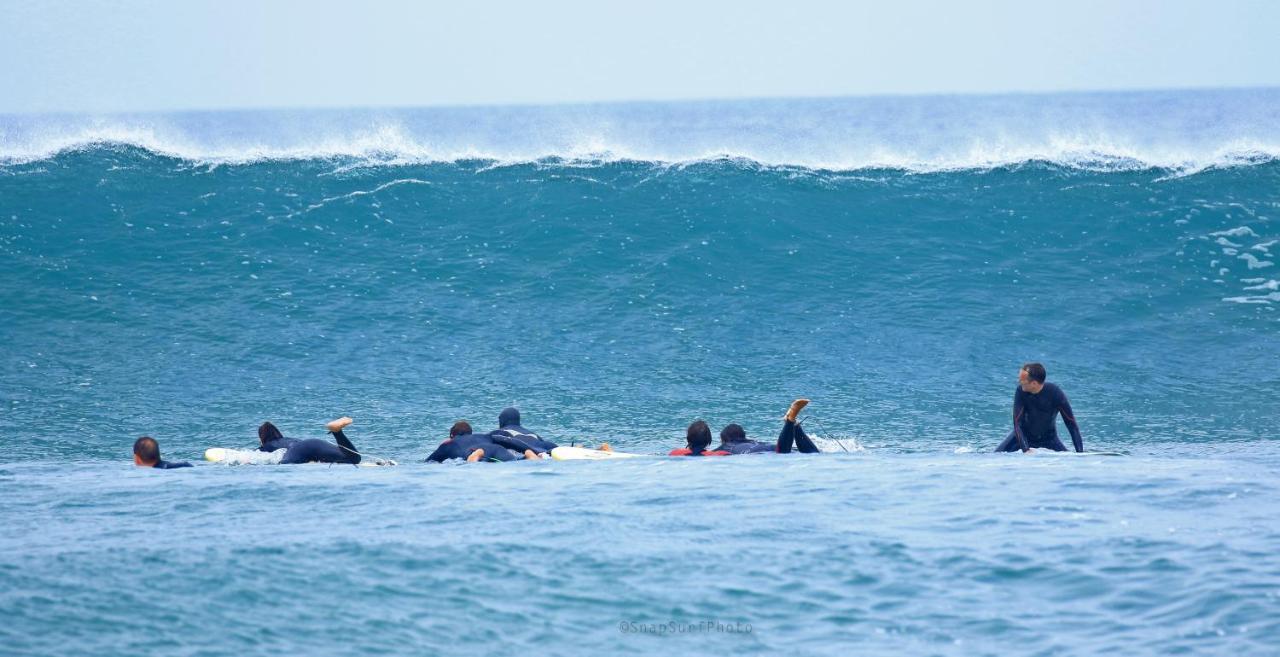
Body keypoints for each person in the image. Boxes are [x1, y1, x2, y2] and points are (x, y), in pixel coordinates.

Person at [670, 400, 822, 457]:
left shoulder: (723, 450)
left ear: (723, 439)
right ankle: (793, 425)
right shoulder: (756, 442)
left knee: (783, 452)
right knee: (811, 453)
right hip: (770, 448)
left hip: (762, 454)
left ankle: (790, 422)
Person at [994, 362, 1084, 453]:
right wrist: (1026, 450)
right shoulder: (1020, 391)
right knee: (995, 456)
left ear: (1034, 383)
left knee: (1070, 460)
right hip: (1022, 438)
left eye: (1022, 380)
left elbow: (1071, 424)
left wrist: (1080, 453)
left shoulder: (1055, 393)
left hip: (1049, 440)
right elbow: (1017, 423)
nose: (1019, 382)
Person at [257, 417, 364, 464]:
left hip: (299, 450)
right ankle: (337, 432)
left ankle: (336, 430)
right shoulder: (287, 439)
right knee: (354, 458)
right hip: (314, 443)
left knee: (283, 465)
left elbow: (251, 456)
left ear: (262, 438)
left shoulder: (267, 445)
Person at [425, 421, 540, 463]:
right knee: (517, 461)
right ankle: (528, 455)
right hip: (498, 450)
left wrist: (443, 446)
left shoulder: (448, 445)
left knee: (476, 456)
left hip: (478, 453)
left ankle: (477, 455)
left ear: (452, 435)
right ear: (470, 432)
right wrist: (534, 450)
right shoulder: (485, 436)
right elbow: (510, 442)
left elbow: (428, 462)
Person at [488, 407, 558, 457]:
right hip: (542, 448)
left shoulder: (500, 432)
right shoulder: (532, 433)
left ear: (501, 420)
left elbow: (484, 441)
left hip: (523, 451)